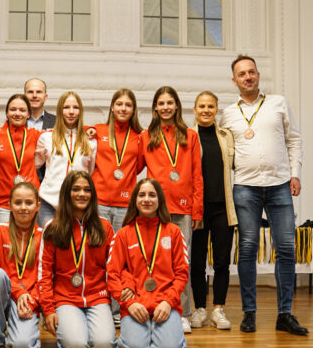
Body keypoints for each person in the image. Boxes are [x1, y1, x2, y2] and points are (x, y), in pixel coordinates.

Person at [220, 54, 308, 335]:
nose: (248, 77)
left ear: (258, 75)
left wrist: (295, 173)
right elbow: (224, 154)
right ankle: (249, 313)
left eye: (252, 72)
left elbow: (294, 139)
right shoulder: (228, 113)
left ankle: (285, 314)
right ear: (234, 81)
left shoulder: (278, 103)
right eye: (242, 74)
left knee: (286, 248)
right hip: (245, 187)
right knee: (247, 248)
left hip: (279, 183)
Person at [139, 86, 203, 333]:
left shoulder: (190, 136)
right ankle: (154, 306)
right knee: (155, 261)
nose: (165, 107)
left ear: (176, 105)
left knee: (181, 263)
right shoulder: (146, 136)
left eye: (169, 102)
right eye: (161, 103)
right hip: (154, 209)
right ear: (155, 107)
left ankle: (183, 312)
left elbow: (197, 175)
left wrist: (197, 210)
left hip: (183, 208)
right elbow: (132, 164)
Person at [107, 178, 188, 348]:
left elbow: (182, 274)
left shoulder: (174, 232)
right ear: (135, 200)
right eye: (141, 195)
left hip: (165, 304)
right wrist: (129, 303)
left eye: (152, 195)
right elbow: (112, 274)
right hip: (136, 304)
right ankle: (149, 338)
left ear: (160, 200)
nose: (146, 199)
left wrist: (168, 302)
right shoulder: (123, 234)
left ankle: (162, 338)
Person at [38, 171, 117, 348]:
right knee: (75, 347)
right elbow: (44, 273)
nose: (82, 194)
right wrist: (48, 310)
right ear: (67, 193)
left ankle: (90, 331)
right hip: (65, 298)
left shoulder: (104, 227)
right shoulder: (52, 228)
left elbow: (114, 269)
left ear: (92, 195)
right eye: (76, 189)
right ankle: (76, 331)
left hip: (97, 297)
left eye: (87, 190)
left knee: (104, 347)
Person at [90, 88, 144, 326]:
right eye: (119, 104)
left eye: (128, 105)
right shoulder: (98, 131)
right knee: (97, 255)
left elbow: (139, 166)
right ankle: (98, 304)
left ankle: (118, 307)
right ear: (112, 107)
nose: (123, 108)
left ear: (133, 110)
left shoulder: (139, 137)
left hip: (124, 204)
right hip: (99, 203)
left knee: (121, 259)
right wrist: (87, 130)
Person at [190, 91, 237, 330]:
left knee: (221, 262)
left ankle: (218, 309)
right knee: (197, 262)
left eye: (210, 106)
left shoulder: (227, 136)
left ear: (217, 109)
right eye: (202, 106)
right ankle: (200, 309)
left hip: (222, 209)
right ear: (195, 110)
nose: (206, 110)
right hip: (197, 210)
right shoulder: (188, 136)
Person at [0, 182, 42, 348]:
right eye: (18, 202)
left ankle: (19, 331)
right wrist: (18, 292)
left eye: (29, 203)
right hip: (3, 294)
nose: (23, 207)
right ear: (9, 205)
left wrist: (31, 302)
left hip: (28, 299)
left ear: (38, 206)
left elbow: (45, 278)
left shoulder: (44, 235)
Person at [35, 91, 97, 227]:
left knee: (73, 240)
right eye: (66, 107)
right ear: (59, 110)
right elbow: (34, 166)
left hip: (77, 204)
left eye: (75, 107)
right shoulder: (46, 137)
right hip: (49, 203)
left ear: (81, 111)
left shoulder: (91, 141)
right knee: (46, 239)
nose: (71, 112)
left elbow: (90, 172)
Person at [0, 94, 42, 224]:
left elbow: (61, 134)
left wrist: (88, 129)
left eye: (22, 110)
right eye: (13, 109)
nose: (17, 113)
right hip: (4, 203)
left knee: (30, 238)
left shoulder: (35, 135)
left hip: (30, 203)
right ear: (7, 113)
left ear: (29, 114)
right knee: (4, 238)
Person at [24, 78, 57, 182]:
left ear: (45, 96)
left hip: (49, 182)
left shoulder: (57, 122)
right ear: (24, 96)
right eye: (30, 92)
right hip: (22, 180)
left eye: (39, 92)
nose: (34, 95)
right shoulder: (16, 122)